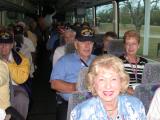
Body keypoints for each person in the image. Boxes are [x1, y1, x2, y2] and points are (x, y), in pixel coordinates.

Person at [70, 55, 146, 120]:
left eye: (113, 79)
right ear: (93, 83)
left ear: (121, 81)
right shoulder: (82, 113)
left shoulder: (136, 106)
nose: (108, 86)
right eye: (101, 79)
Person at [50, 27, 96, 120]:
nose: (87, 46)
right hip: (72, 104)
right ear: (76, 44)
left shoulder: (99, 61)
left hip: (96, 103)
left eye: (90, 43)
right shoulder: (64, 61)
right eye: (83, 42)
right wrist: (80, 87)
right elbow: (54, 84)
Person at [0, 31, 30, 119]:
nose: (3, 47)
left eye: (7, 44)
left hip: (15, 86)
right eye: (1, 43)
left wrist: (6, 63)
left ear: (12, 45)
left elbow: (21, 79)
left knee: (21, 98)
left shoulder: (21, 59)